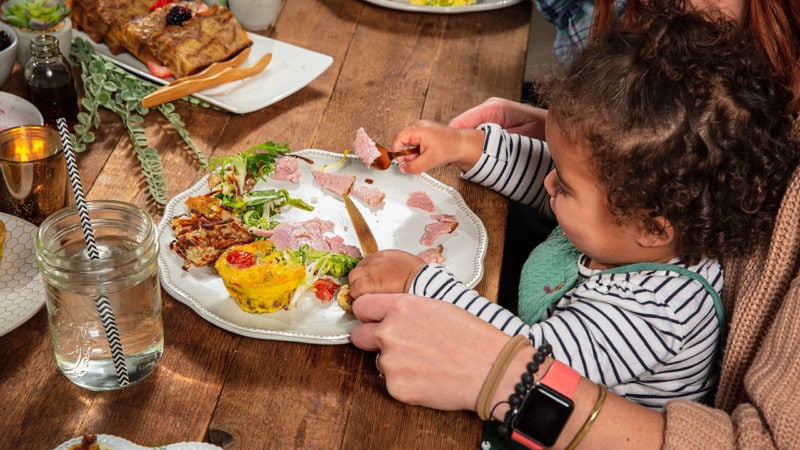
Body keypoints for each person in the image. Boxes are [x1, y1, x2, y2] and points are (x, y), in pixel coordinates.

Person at [347, 8, 800, 449]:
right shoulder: (636, 226)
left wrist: (420, 282)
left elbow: (524, 355)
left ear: (651, 226)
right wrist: (464, 146)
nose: (549, 182)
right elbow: (550, 175)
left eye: (563, 184)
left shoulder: (657, 310)